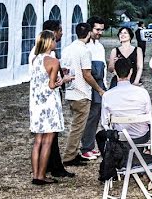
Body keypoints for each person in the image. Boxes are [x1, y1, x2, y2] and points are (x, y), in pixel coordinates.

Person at [29, 31, 71, 185]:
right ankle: (41, 176)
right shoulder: (53, 61)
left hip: (36, 104)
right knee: (48, 140)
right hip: (49, 104)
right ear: (49, 42)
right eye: (54, 40)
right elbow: (52, 85)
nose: (56, 42)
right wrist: (64, 79)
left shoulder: (35, 59)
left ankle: (35, 175)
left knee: (38, 140)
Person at [61, 22, 105, 166]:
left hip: (71, 92)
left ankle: (73, 153)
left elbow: (64, 69)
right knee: (78, 127)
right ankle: (69, 157)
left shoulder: (67, 49)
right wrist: (98, 89)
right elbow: (87, 74)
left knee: (77, 125)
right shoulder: (85, 51)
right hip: (82, 93)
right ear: (88, 34)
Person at [80, 16, 107, 161]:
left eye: (102, 30)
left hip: (100, 84)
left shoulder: (100, 46)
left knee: (96, 116)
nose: (100, 32)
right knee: (90, 117)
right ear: (90, 29)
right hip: (90, 86)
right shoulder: (85, 47)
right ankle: (86, 147)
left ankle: (89, 145)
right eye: (97, 29)